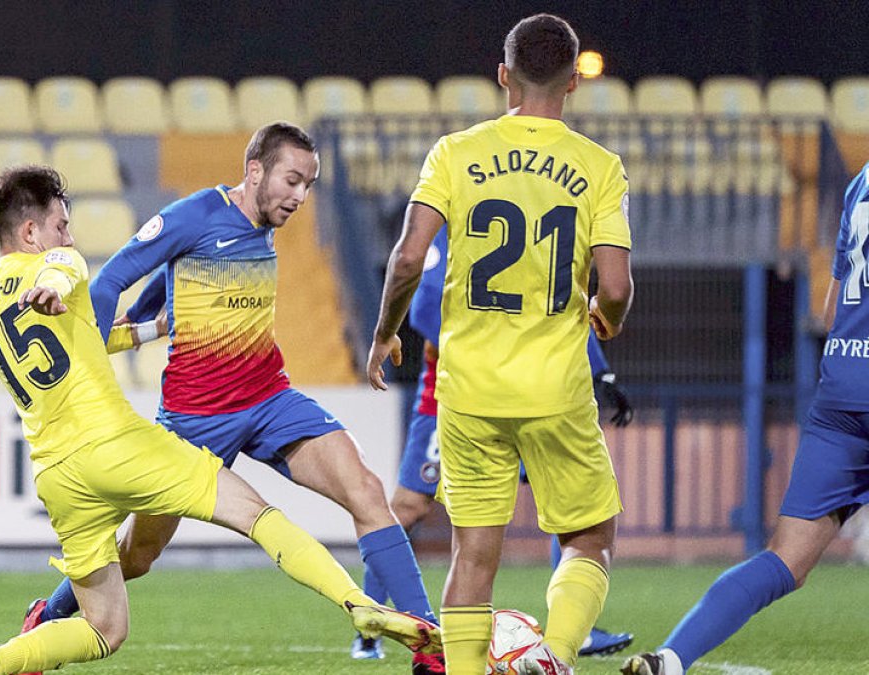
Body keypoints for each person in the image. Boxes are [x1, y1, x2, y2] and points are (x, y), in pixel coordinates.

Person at [0, 165, 440, 675]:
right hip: (116, 447)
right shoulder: (57, 263)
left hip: (58, 478)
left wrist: (151, 329)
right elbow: (63, 270)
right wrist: (52, 273)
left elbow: (81, 337)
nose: (67, 236)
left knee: (104, 629)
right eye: (60, 225)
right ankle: (359, 604)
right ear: (30, 232)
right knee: (256, 513)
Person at [366, 14, 634, 675]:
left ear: (502, 74)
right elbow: (617, 284)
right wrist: (608, 319)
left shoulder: (455, 152)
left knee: (472, 553)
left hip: (469, 389)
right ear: (575, 80)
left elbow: (406, 259)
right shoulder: (599, 167)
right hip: (557, 389)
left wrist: (385, 333)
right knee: (589, 535)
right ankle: (557, 656)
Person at [620, 164, 869, 674]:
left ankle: (670, 657)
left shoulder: (860, 180)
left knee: (786, 559)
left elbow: (829, 306)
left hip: (843, 390)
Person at [352, 225, 634, 662]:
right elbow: (425, 308)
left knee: (566, 514)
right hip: (457, 395)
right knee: (411, 505)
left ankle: (575, 629)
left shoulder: (515, 218)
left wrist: (600, 371)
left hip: (526, 388)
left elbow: (562, 305)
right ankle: (371, 624)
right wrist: (481, 335)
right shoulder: (454, 227)